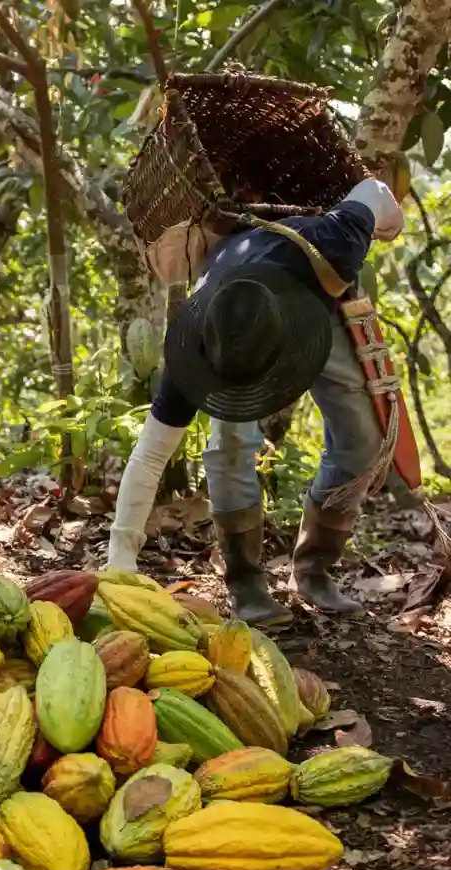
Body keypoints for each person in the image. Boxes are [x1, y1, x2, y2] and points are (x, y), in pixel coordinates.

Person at [107, 179, 405, 627]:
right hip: (240, 302)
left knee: (362, 439)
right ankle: (245, 582)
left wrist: (389, 226)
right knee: (228, 444)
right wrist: (119, 564)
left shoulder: (335, 241)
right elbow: (150, 454)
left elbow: (375, 190)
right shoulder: (197, 347)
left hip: (316, 299)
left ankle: (315, 568)